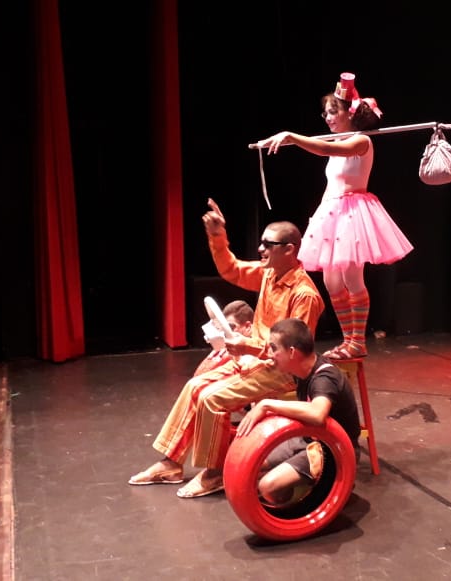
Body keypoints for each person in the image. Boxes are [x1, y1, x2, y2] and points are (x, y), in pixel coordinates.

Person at [128, 198, 325, 498]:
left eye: (268, 244)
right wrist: (218, 236)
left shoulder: (304, 294)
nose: (260, 249)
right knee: (195, 386)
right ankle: (171, 463)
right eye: (261, 243)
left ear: (289, 250)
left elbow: (294, 353)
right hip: (256, 360)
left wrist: (248, 347)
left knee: (212, 399)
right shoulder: (269, 274)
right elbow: (231, 269)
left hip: (282, 371)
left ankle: (216, 472)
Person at [258, 71, 413, 360]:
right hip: (332, 214)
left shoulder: (360, 142)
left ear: (349, 114)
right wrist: (318, 217)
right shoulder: (338, 143)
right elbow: (331, 182)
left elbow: (325, 148)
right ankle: (347, 339)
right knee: (331, 282)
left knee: (352, 277)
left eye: (333, 112)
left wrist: (291, 136)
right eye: (326, 113)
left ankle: (358, 341)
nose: (328, 118)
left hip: (353, 214)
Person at [235, 318, 361, 506]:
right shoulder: (301, 371)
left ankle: (309, 502)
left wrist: (267, 405)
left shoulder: (325, 378)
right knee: (252, 465)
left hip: (335, 451)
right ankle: (300, 487)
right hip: (309, 439)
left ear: (292, 352)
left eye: (274, 348)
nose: (270, 353)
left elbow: (317, 414)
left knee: (267, 486)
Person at [192, 299, 254, 377]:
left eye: (231, 327)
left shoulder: (259, 355)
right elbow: (197, 377)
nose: (225, 333)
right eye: (224, 328)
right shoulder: (225, 350)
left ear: (248, 327)